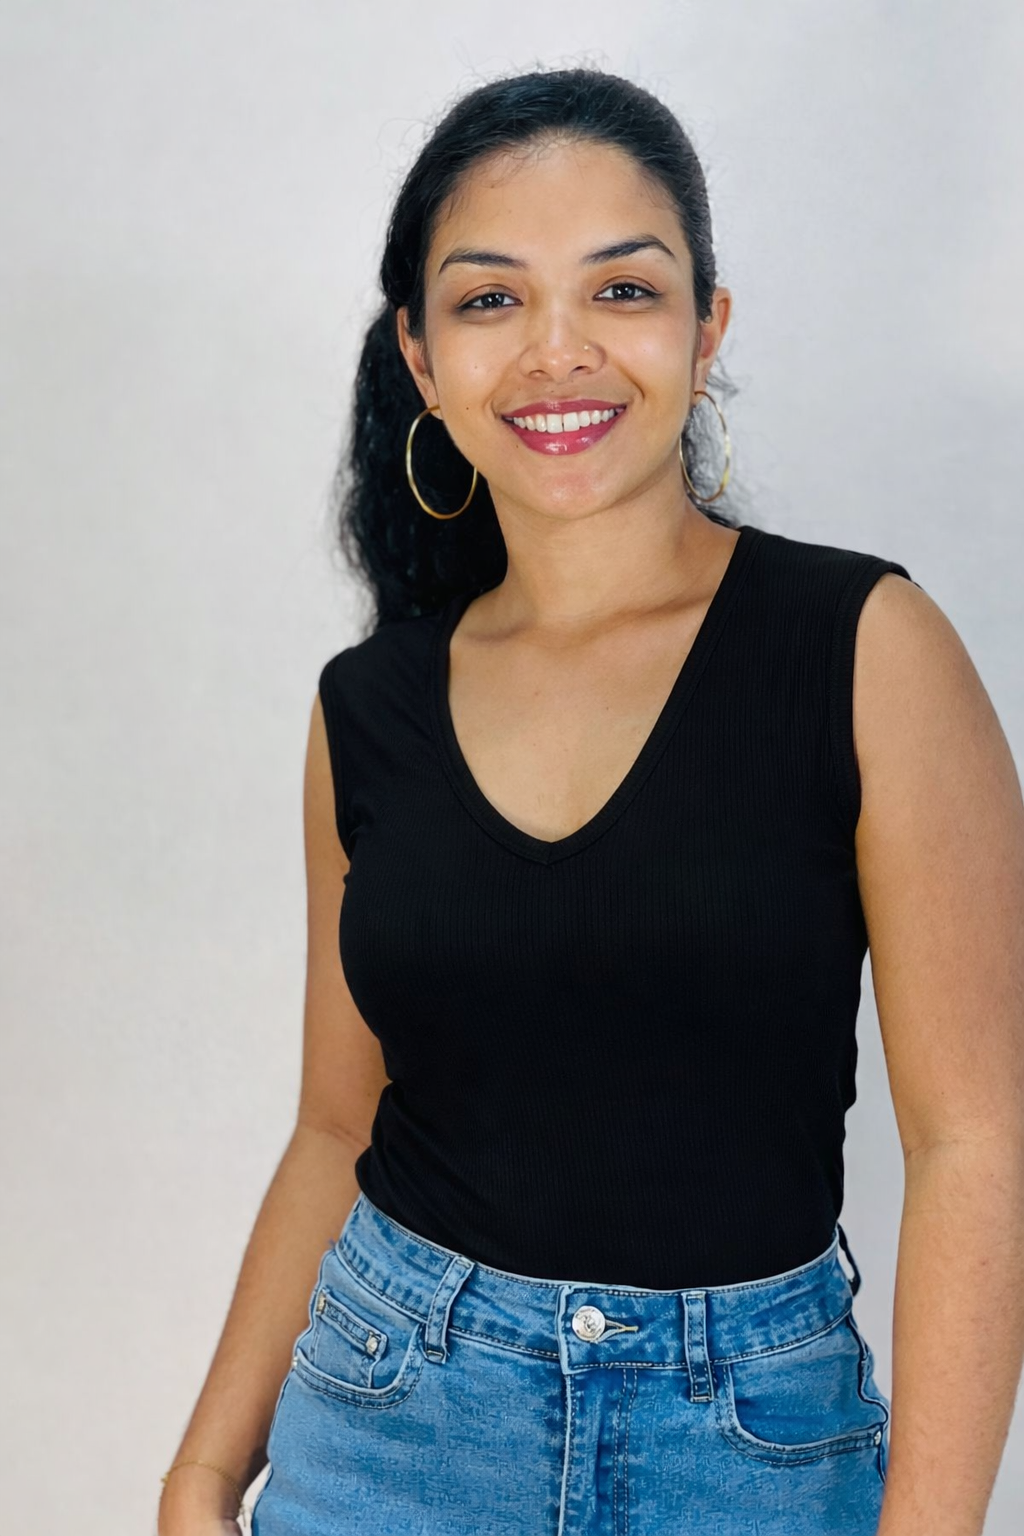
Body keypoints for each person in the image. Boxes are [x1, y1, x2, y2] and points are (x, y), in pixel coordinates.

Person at [158, 67, 1024, 1536]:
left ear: (707, 327)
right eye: (491, 300)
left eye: (622, 290)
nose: (558, 351)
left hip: (748, 1455)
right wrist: (199, 1473)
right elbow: (333, 1129)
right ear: (421, 357)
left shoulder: (865, 651)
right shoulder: (366, 708)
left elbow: (974, 1148)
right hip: (386, 1434)